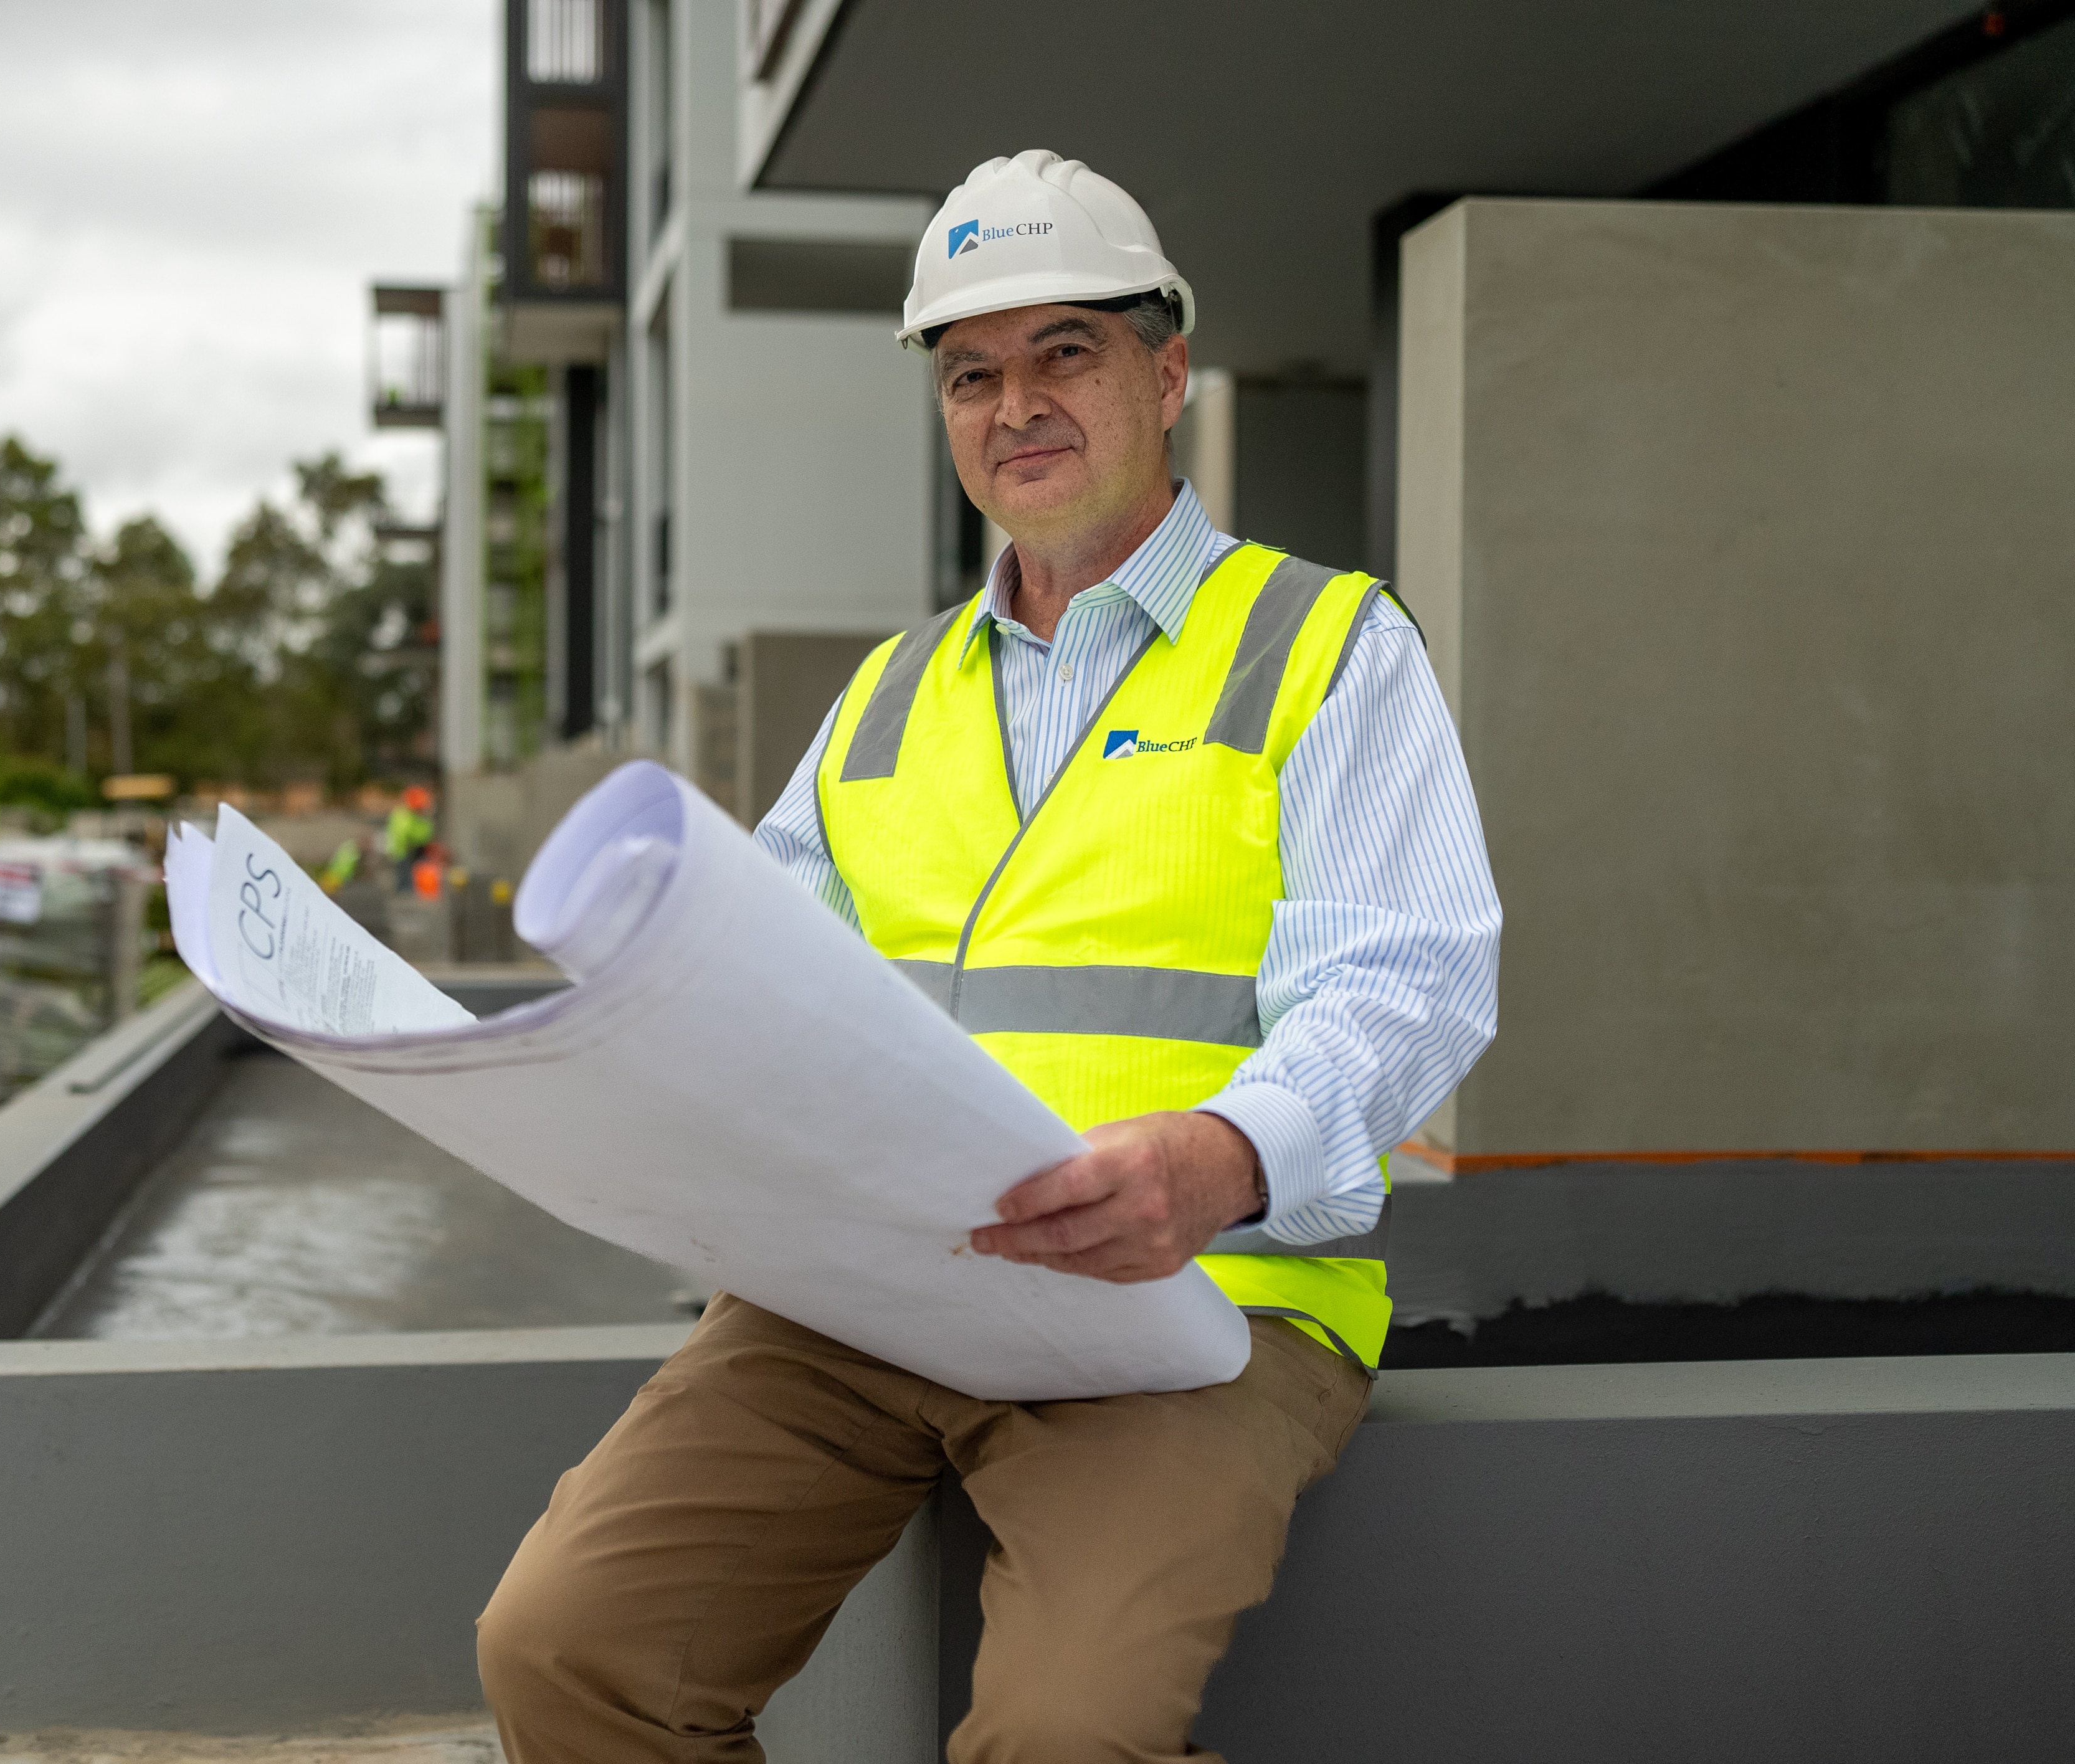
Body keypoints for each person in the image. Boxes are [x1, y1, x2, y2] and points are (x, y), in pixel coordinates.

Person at [478, 149, 1500, 1762]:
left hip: (1199, 1305)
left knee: (1066, 1735)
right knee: (566, 1650)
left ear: (1167, 375)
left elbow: (1409, 979)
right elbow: (757, 988)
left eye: (1063, 354)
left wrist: (1224, 1159)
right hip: (866, 1297)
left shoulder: (1326, 647)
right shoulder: (885, 698)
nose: (1015, 404)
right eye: (971, 373)